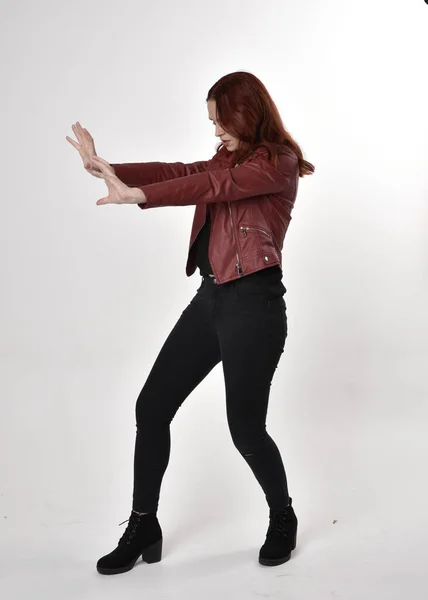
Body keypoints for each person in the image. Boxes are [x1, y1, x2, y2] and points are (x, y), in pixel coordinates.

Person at [66, 71, 315, 574]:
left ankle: (282, 516)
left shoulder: (276, 163)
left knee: (245, 428)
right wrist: (110, 167)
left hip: (255, 307)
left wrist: (137, 196)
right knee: (151, 406)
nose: (215, 132)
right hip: (212, 300)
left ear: (246, 115)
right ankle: (143, 525)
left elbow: (212, 185)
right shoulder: (228, 158)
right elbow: (182, 169)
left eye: (220, 121)